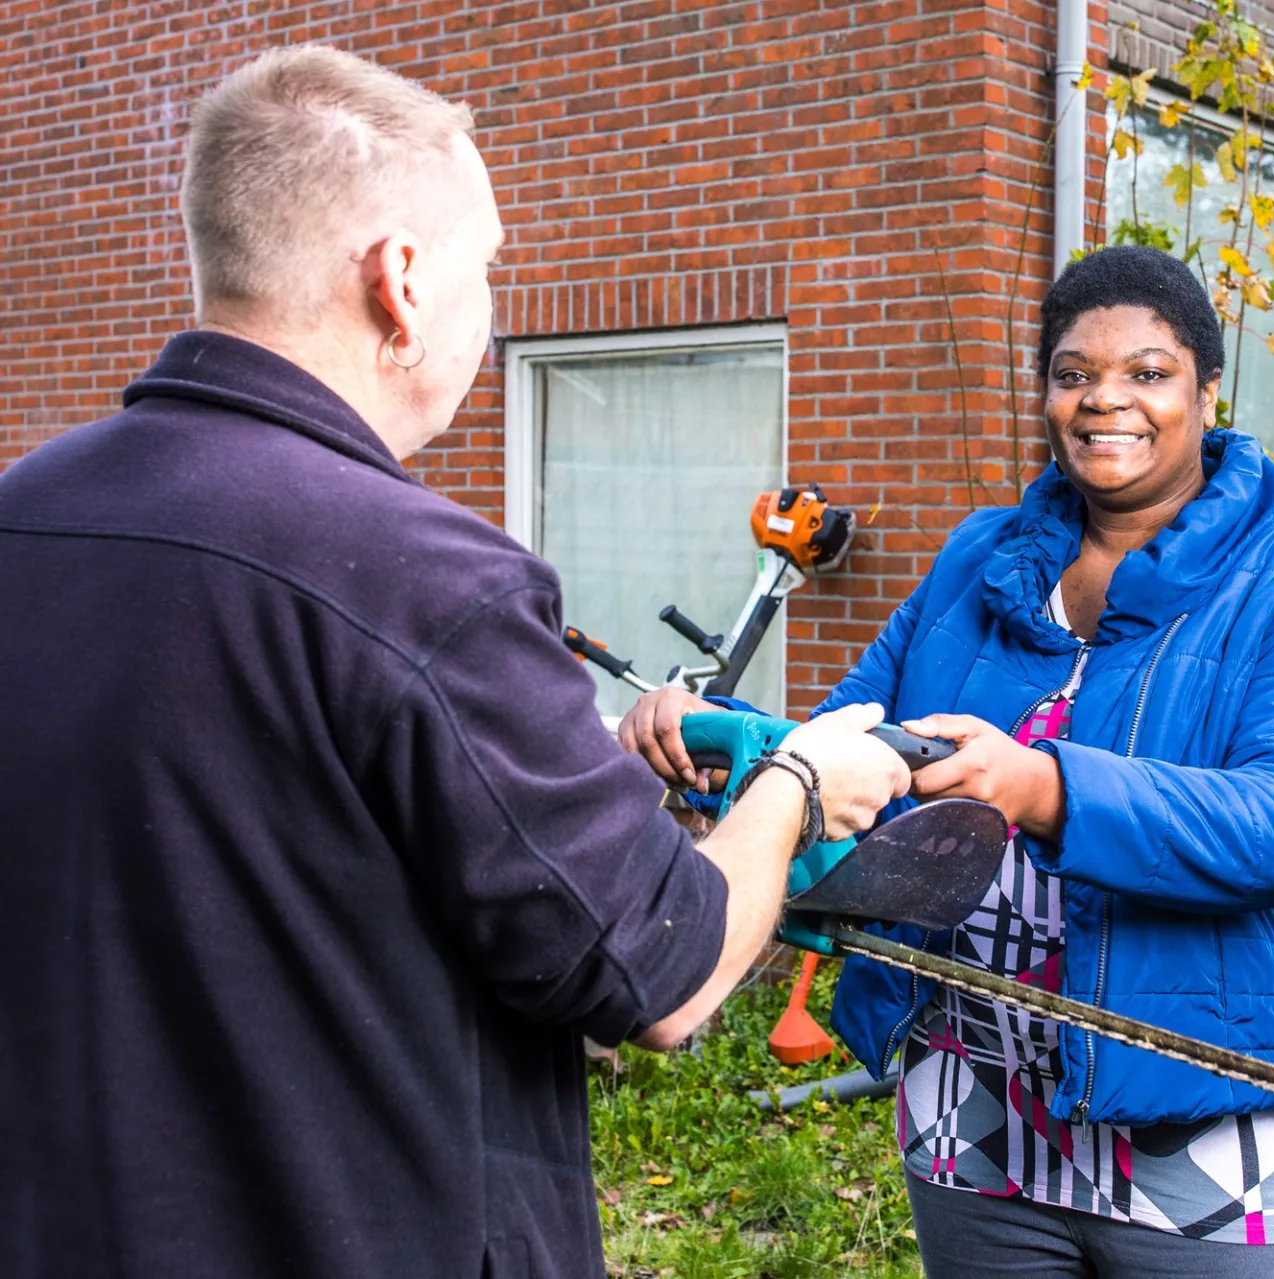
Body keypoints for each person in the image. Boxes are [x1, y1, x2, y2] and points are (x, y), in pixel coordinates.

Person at [0, 46, 909, 1279]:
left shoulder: (27, 516)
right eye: (487, 268)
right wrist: (799, 779)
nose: (490, 305)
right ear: (403, 283)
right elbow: (663, 973)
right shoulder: (429, 575)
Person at [624, 245, 1274, 1277]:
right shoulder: (982, 557)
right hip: (971, 1107)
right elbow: (839, 744)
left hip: (1192, 1120)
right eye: (1073, 373)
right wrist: (710, 738)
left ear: (1210, 389)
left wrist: (1042, 785)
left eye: (1147, 373)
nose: (1103, 400)